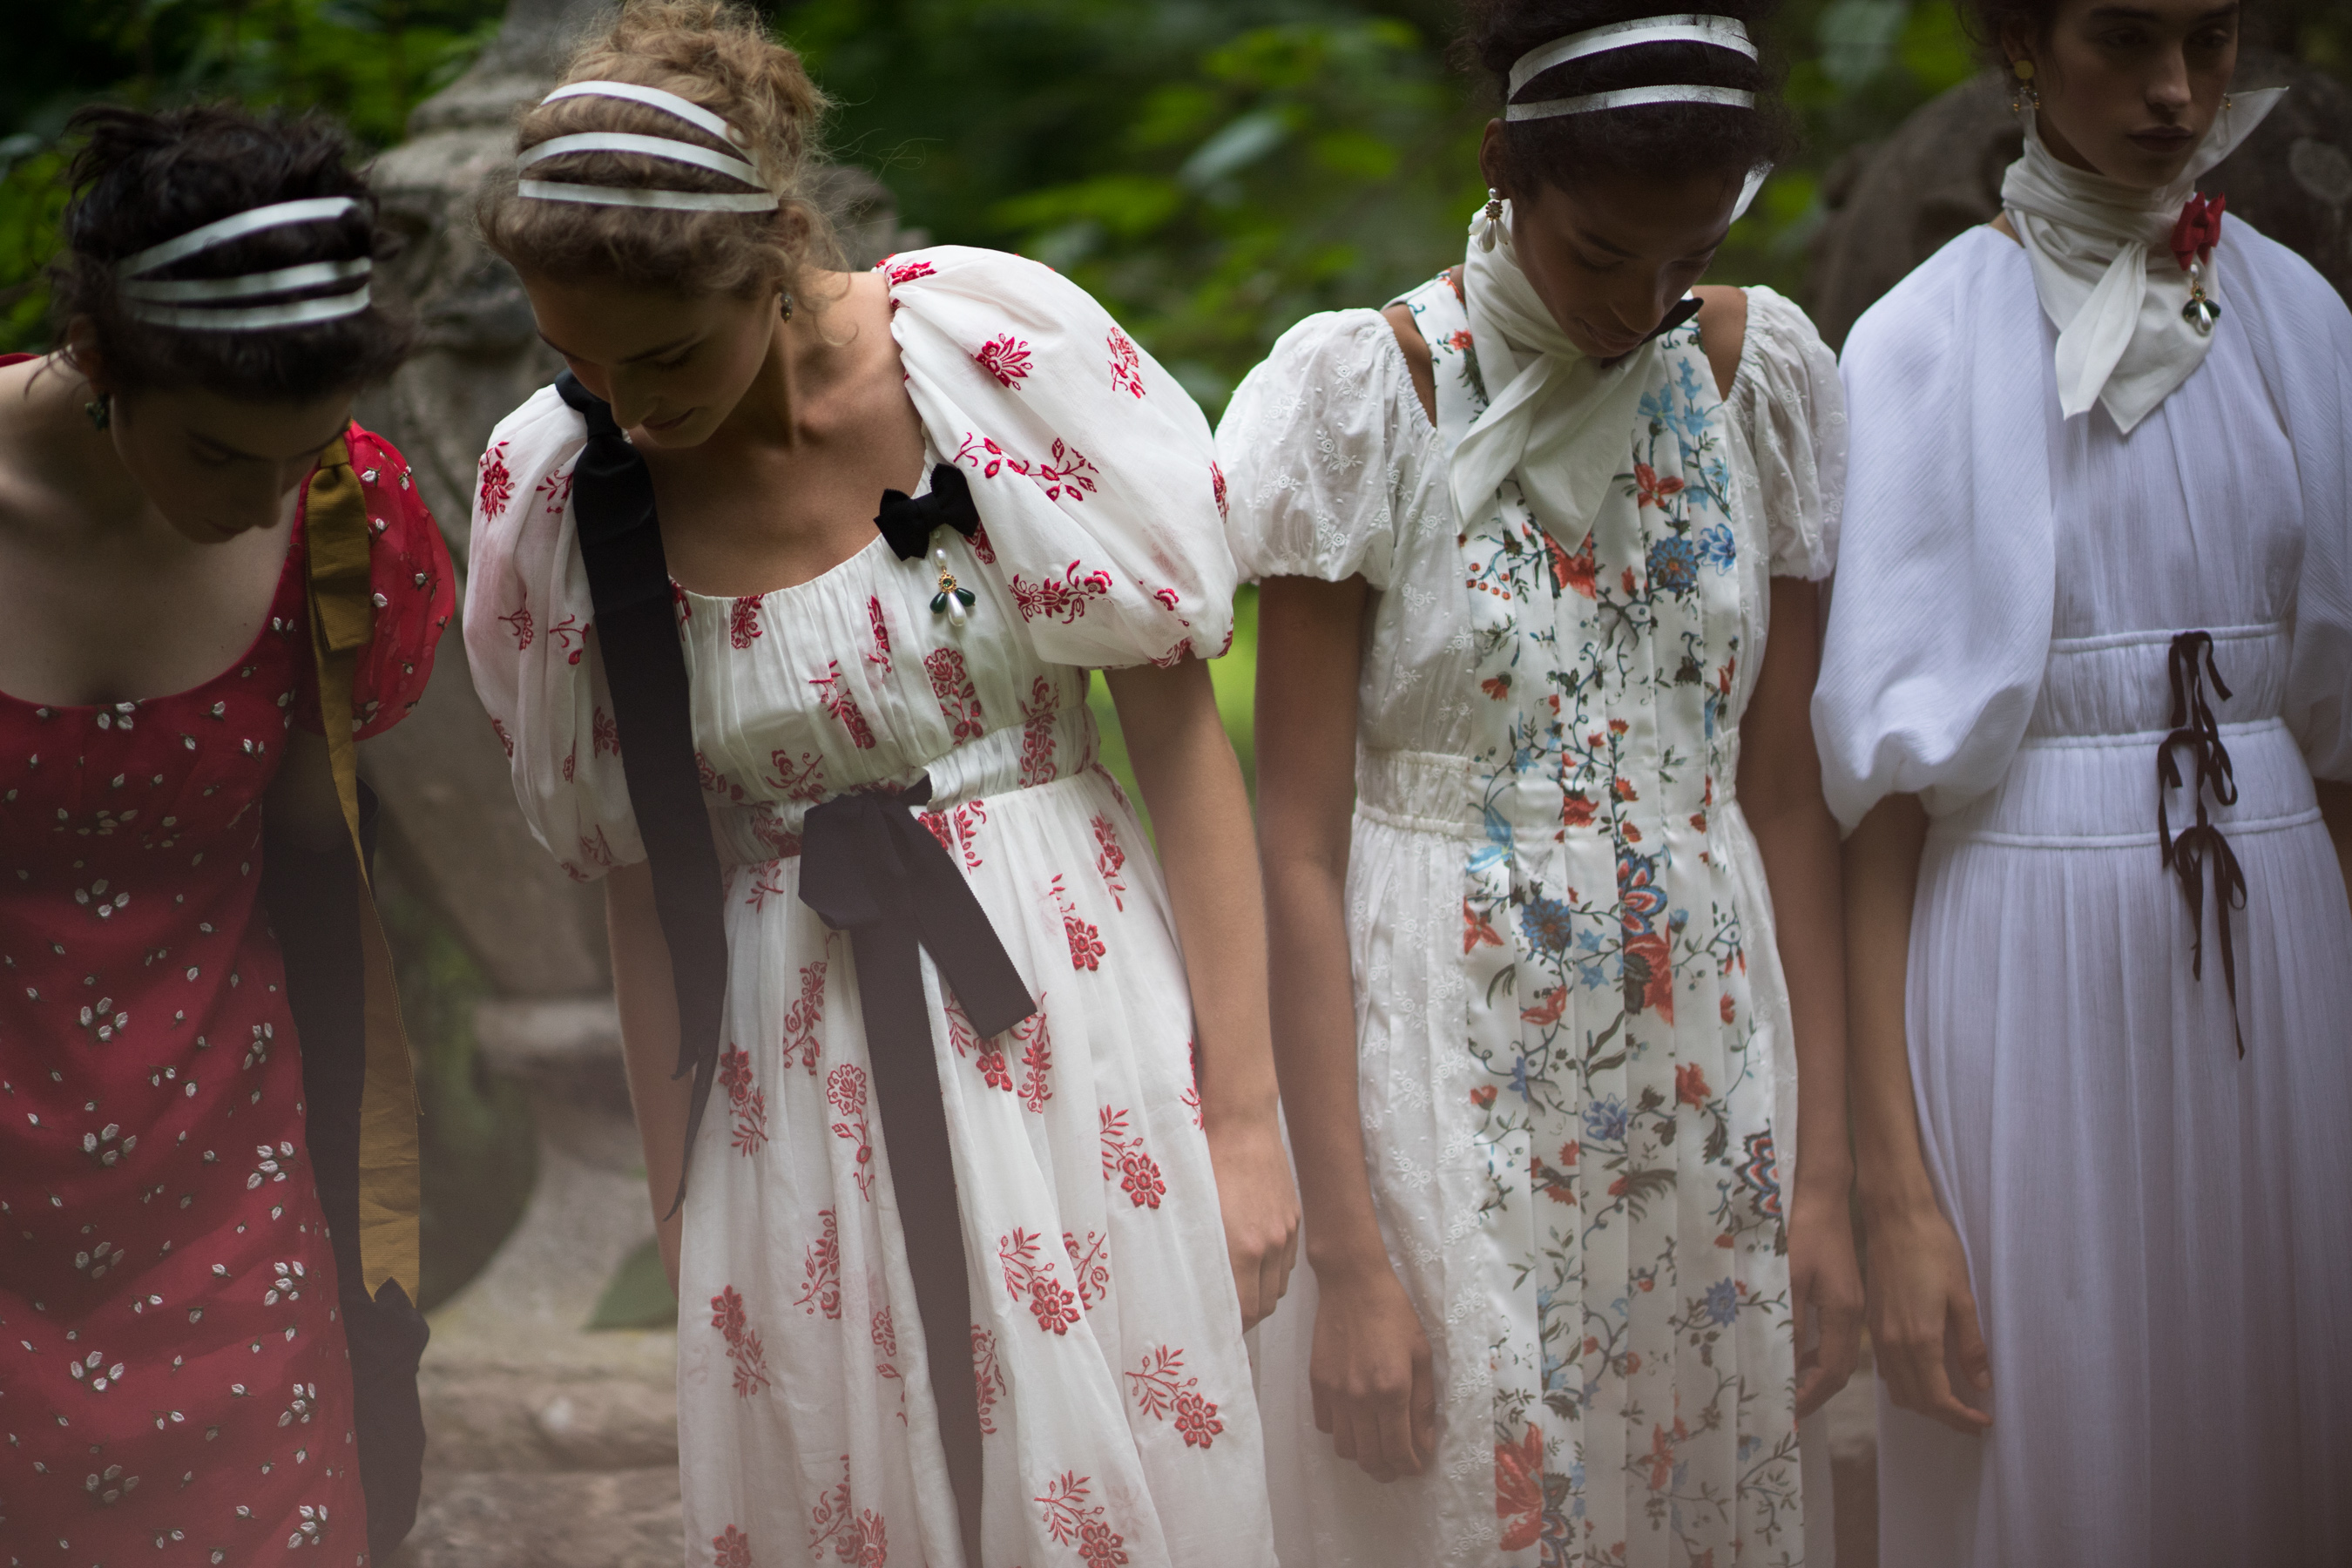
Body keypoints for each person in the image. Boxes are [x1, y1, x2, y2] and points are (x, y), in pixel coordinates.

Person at [462, 3, 1297, 1565]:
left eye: (663, 355)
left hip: (1070, 1007)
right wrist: (681, 1204)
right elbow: (646, 886)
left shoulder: (984, 366)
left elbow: (1181, 740)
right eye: (576, 357)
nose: (629, 406)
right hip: (794, 1062)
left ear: (772, 253)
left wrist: (1245, 1122)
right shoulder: (568, 494)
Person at [1220, 0, 1861, 1560]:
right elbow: (1292, 843)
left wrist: (1829, 1180)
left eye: (1685, 253)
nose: (1639, 305)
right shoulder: (1373, 399)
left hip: (1706, 1056)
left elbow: (1786, 798)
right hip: (1454, 1049)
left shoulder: (1753, 371)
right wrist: (1353, 1258)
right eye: (1598, 257)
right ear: (1503, 165)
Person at [1813, 0, 2352, 1558]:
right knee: (2051, 1441)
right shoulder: (1919, 342)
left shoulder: (2306, 321)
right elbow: (1879, 813)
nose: (2178, 91)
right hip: (2021, 956)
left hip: (2280, 945)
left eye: (2212, 36)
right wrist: (1895, 1197)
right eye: (2125, 37)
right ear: (2026, 40)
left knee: (2273, 1420)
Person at [0, 105, 453, 1564]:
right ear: (104, 364)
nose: (263, 498)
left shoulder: (343, 520)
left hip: (226, 1164)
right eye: (213, 449)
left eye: (302, 449)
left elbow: (321, 849)